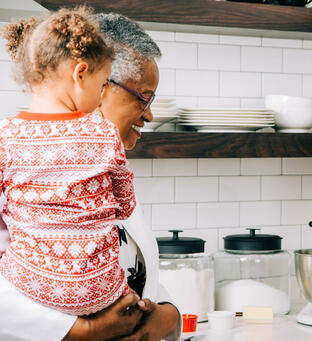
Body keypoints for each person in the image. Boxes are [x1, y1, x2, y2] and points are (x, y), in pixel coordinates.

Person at [0, 12, 181, 341]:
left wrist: (169, 317)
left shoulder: (101, 167)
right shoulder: (17, 159)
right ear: (96, 84)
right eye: (143, 97)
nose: (150, 114)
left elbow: (135, 272)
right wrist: (86, 331)